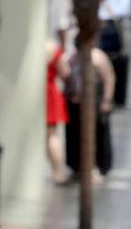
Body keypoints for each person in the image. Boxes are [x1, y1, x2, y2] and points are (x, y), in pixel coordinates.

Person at [65, 47, 116, 182]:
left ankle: (98, 167)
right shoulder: (73, 57)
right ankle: (77, 167)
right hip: (76, 103)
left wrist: (107, 100)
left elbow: (109, 78)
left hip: (95, 102)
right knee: (75, 136)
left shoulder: (98, 57)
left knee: (98, 135)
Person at [46, 38, 70, 184]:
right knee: (52, 134)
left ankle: (57, 171)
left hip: (41, 92)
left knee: (49, 135)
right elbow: (65, 72)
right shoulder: (51, 46)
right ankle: (58, 171)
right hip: (49, 92)